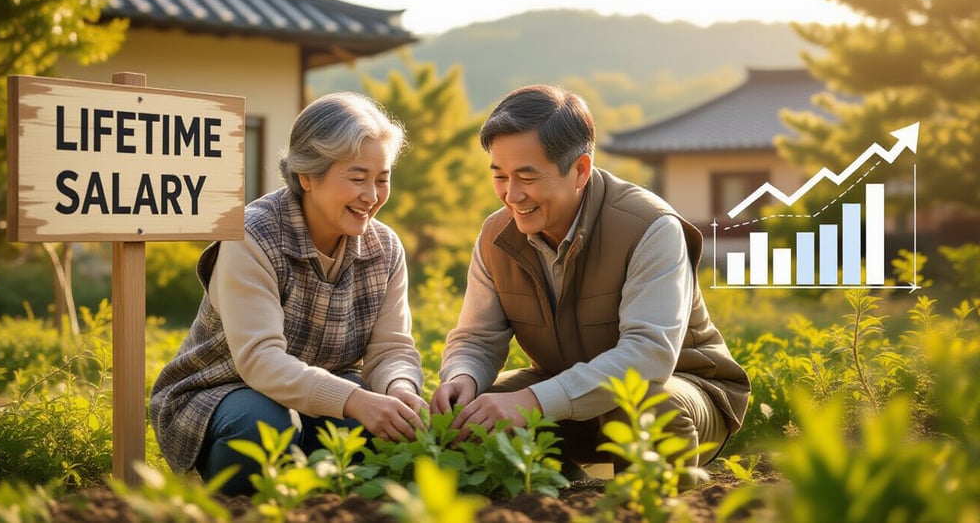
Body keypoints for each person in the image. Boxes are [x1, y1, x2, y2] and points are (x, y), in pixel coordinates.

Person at [430, 84, 750, 478]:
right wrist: (462, 377)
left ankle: (645, 498)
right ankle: (564, 490)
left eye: (527, 177)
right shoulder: (496, 236)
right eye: (500, 176)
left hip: (677, 387)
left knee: (643, 405)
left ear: (580, 170)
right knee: (474, 415)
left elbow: (648, 356)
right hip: (562, 390)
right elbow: (476, 339)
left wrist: (531, 400)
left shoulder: (650, 227)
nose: (511, 195)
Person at [150, 92, 426, 495]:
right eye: (356, 178)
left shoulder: (385, 248)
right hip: (226, 392)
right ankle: (238, 504)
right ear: (307, 177)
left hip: (326, 393)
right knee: (266, 427)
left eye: (382, 179)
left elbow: (391, 350)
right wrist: (356, 400)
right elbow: (260, 361)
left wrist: (399, 390)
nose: (371, 195)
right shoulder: (253, 235)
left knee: (383, 435)